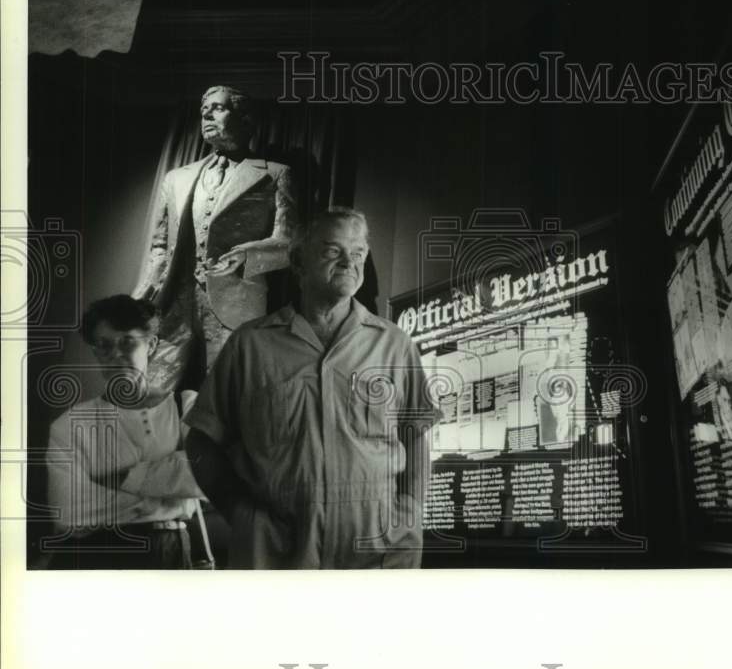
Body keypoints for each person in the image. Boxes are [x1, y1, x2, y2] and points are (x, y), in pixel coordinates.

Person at [184, 208, 439, 569]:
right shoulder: (250, 346)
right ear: (299, 262)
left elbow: (416, 433)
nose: (349, 262)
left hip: (378, 555)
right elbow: (200, 441)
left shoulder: (394, 345)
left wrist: (411, 511)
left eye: (359, 252)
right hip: (276, 557)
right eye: (332, 251)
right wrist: (241, 513)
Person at [134, 85, 298, 392]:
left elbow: (289, 244)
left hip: (236, 303)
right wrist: (141, 296)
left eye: (218, 108)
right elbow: (159, 245)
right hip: (174, 303)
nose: (207, 113)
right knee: (150, 390)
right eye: (203, 110)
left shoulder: (274, 173)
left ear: (246, 120)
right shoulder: (177, 178)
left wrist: (247, 255)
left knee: (226, 395)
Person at [44, 295, 204, 569]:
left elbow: (207, 476)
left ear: (151, 345)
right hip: (97, 558)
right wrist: (169, 484)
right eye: (104, 346)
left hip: (170, 554)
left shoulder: (186, 407)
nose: (116, 355)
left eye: (127, 342)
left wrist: (122, 478)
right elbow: (70, 511)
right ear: (95, 352)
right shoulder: (70, 425)